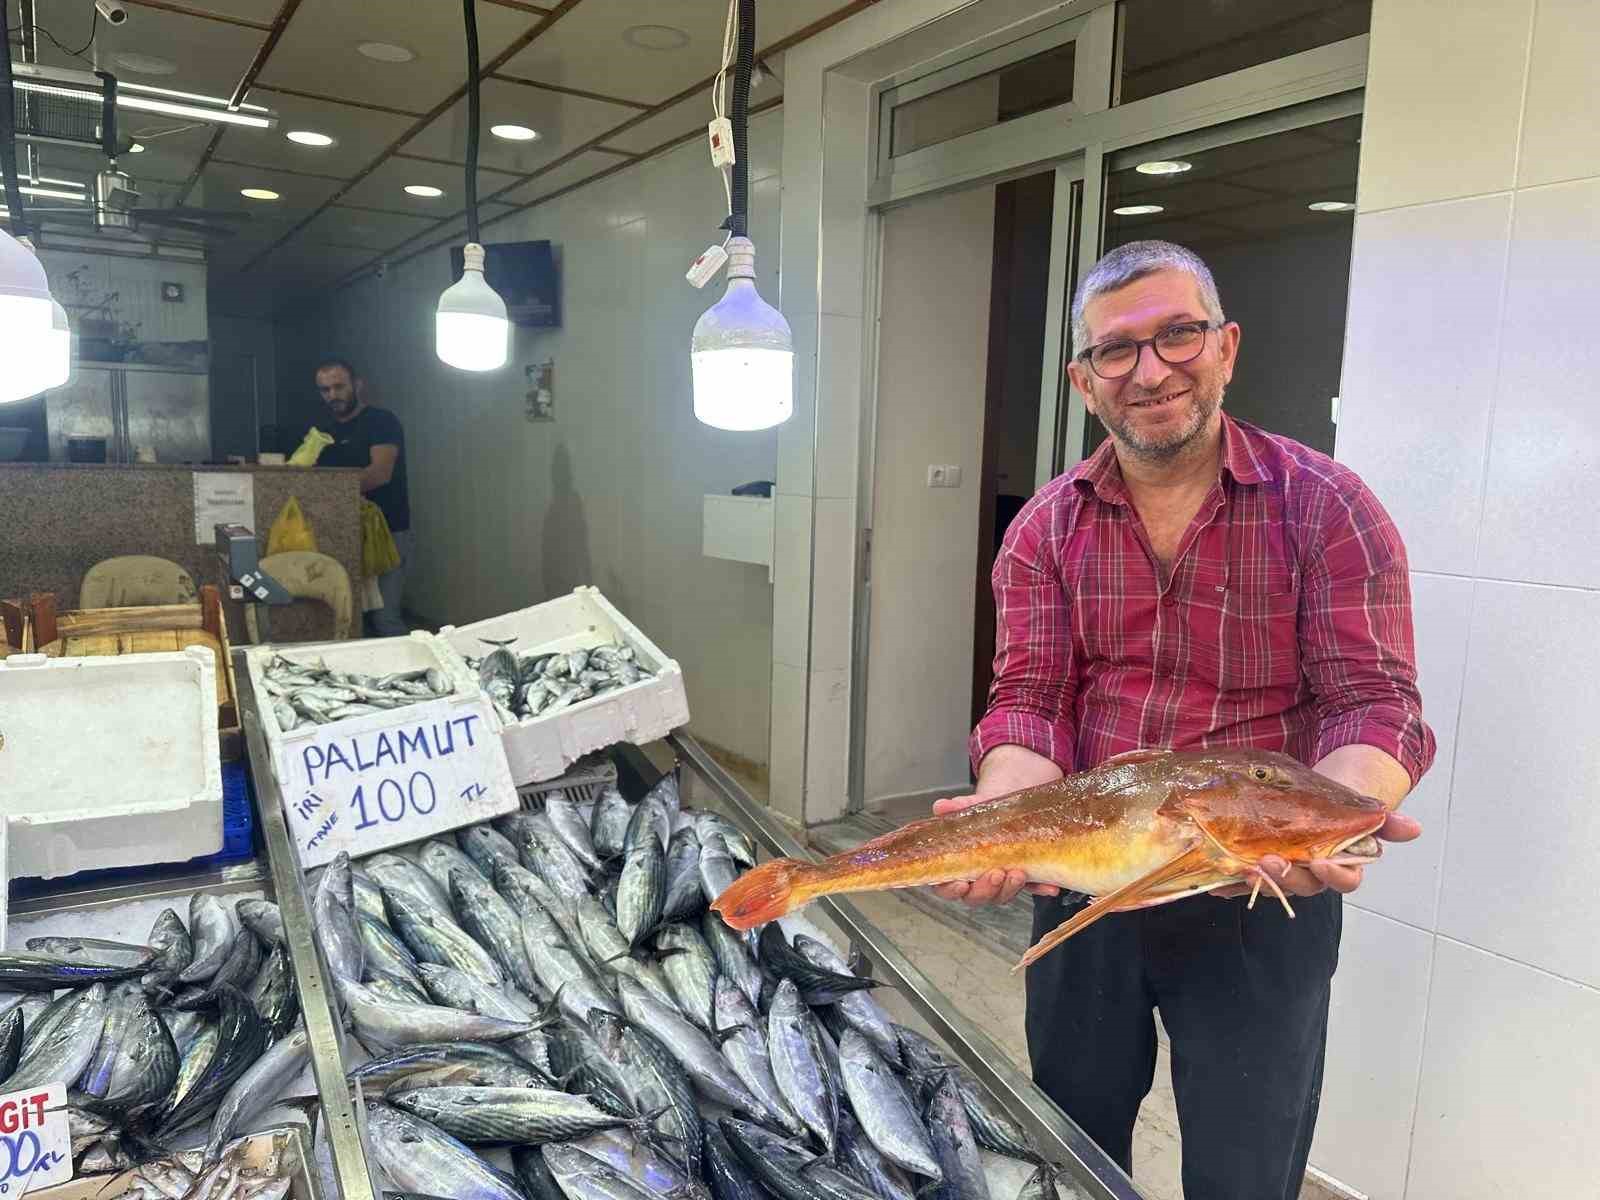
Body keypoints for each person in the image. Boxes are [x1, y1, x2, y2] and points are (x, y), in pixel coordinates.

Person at [936, 240, 1435, 1200]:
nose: (1151, 370)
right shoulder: (1045, 528)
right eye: (1118, 351)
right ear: (1085, 382)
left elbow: (1374, 699)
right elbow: (1031, 699)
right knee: (1070, 1148)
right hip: (1089, 883)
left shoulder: (1326, 508)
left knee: (1246, 1167)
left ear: (1227, 347)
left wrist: (1345, 810)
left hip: (1260, 893)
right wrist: (1001, 816)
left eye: (1179, 336)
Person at [313, 357, 411, 637]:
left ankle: (411, 675)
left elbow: (380, 473)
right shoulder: (324, 433)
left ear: (357, 385)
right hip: (343, 533)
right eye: (324, 390)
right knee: (350, 617)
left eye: (339, 387)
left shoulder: (382, 421)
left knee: (385, 618)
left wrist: (328, 493)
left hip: (388, 533)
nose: (333, 395)